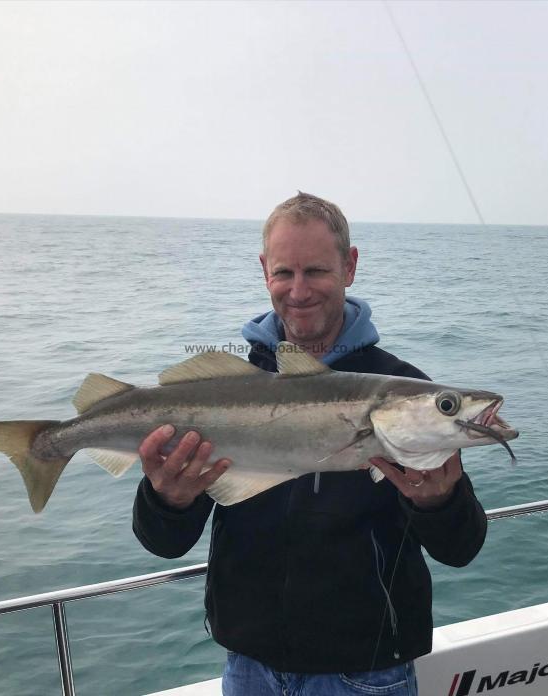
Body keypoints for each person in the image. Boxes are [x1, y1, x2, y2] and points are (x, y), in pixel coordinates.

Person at [133, 192, 487, 696]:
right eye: (284, 273)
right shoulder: (223, 390)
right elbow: (163, 544)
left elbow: (461, 548)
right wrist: (169, 499)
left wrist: (440, 502)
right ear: (264, 271)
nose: (298, 291)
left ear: (350, 265)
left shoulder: (404, 392)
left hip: (367, 672)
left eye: (317, 271)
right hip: (248, 667)